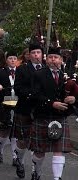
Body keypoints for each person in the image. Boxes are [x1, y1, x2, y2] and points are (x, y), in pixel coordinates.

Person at [30, 47, 74, 180]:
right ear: (46, 59)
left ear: (61, 60)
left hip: (60, 117)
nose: (53, 60)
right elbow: (35, 95)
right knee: (39, 152)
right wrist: (51, 103)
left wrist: (74, 99)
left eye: (56, 57)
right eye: (50, 57)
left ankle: (57, 178)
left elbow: (74, 93)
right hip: (43, 115)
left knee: (58, 150)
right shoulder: (38, 74)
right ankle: (36, 170)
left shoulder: (67, 76)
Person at [13, 43, 44, 179]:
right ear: (29, 55)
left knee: (38, 143)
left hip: (41, 111)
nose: (36, 55)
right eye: (33, 53)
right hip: (25, 109)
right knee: (23, 141)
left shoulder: (47, 69)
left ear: (42, 55)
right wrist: (33, 95)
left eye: (38, 52)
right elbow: (18, 89)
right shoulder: (22, 69)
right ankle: (19, 159)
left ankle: (35, 171)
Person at [0, 50, 18, 165]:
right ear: (6, 60)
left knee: (15, 132)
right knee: (4, 130)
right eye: (10, 58)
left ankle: (15, 156)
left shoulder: (21, 73)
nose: (13, 60)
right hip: (3, 103)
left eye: (15, 59)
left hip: (17, 103)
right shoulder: (1, 73)